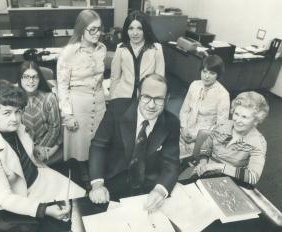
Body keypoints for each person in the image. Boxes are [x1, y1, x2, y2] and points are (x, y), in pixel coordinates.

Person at [0, 80, 85, 232]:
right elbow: (4, 198)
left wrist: (35, 148)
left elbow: (20, 147)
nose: (15, 119)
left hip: (34, 182)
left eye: (18, 111)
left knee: (72, 214)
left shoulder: (15, 127)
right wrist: (44, 210)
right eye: (7, 113)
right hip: (4, 202)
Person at [88, 74, 180, 212]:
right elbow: (98, 147)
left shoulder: (172, 122)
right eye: (146, 96)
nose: (151, 105)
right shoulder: (116, 109)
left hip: (148, 189)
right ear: (138, 94)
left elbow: (171, 163)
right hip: (111, 183)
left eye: (159, 99)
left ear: (167, 99)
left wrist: (160, 190)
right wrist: (97, 184)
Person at [56, 9, 107, 186]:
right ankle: (84, 169)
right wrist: (67, 114)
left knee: (99, 139)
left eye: (99, 29)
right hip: (78, 103)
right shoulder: (68, 53)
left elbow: (100, 77)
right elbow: (62, 86)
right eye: (92, 29)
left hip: (99, 101)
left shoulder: (102, 49)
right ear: (81, 29)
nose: (97, 33)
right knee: (82, 143)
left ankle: (97, 168)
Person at [192, 91, 269, 185]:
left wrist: (218, 167)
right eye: (236, 114)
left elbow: (253, 177)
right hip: (206, 169)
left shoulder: (258, 142)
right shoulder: (222, 126)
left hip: (231, 179)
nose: (237, 120)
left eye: (244, 117)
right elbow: (206, 148)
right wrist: (203, 163)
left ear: (255, 120)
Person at [179, 55, 230, 159]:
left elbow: (221, 126)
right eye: (204, 71)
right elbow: (184, 110)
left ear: (218, 75)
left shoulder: (223, 94)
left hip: (203, 137)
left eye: (212, 73)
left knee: (186, 160)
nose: (206, 76)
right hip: (186, 130)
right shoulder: (194, 85)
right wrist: (183, 128)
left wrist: (198, 137)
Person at [109, 10, 165, 100]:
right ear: (126, 30)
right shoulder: (120, 48)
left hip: (147, 98)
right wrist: (113, 99)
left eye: (139, 28)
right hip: (122, 96)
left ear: (146, 29)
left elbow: (160, 81)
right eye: (131, 28)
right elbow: (115, 77)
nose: (135, 33)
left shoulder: (157, 49)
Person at [17, 61, 61, 163]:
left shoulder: (49, 98)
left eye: (35, 77)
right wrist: (33, 148)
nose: (31, 81)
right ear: (20, 79)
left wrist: (41, 148)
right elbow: (17, 130)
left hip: (47, 144)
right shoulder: (16, 100)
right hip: (25, 146)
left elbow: (54, 129)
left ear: (39, 79)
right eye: (26, 77)